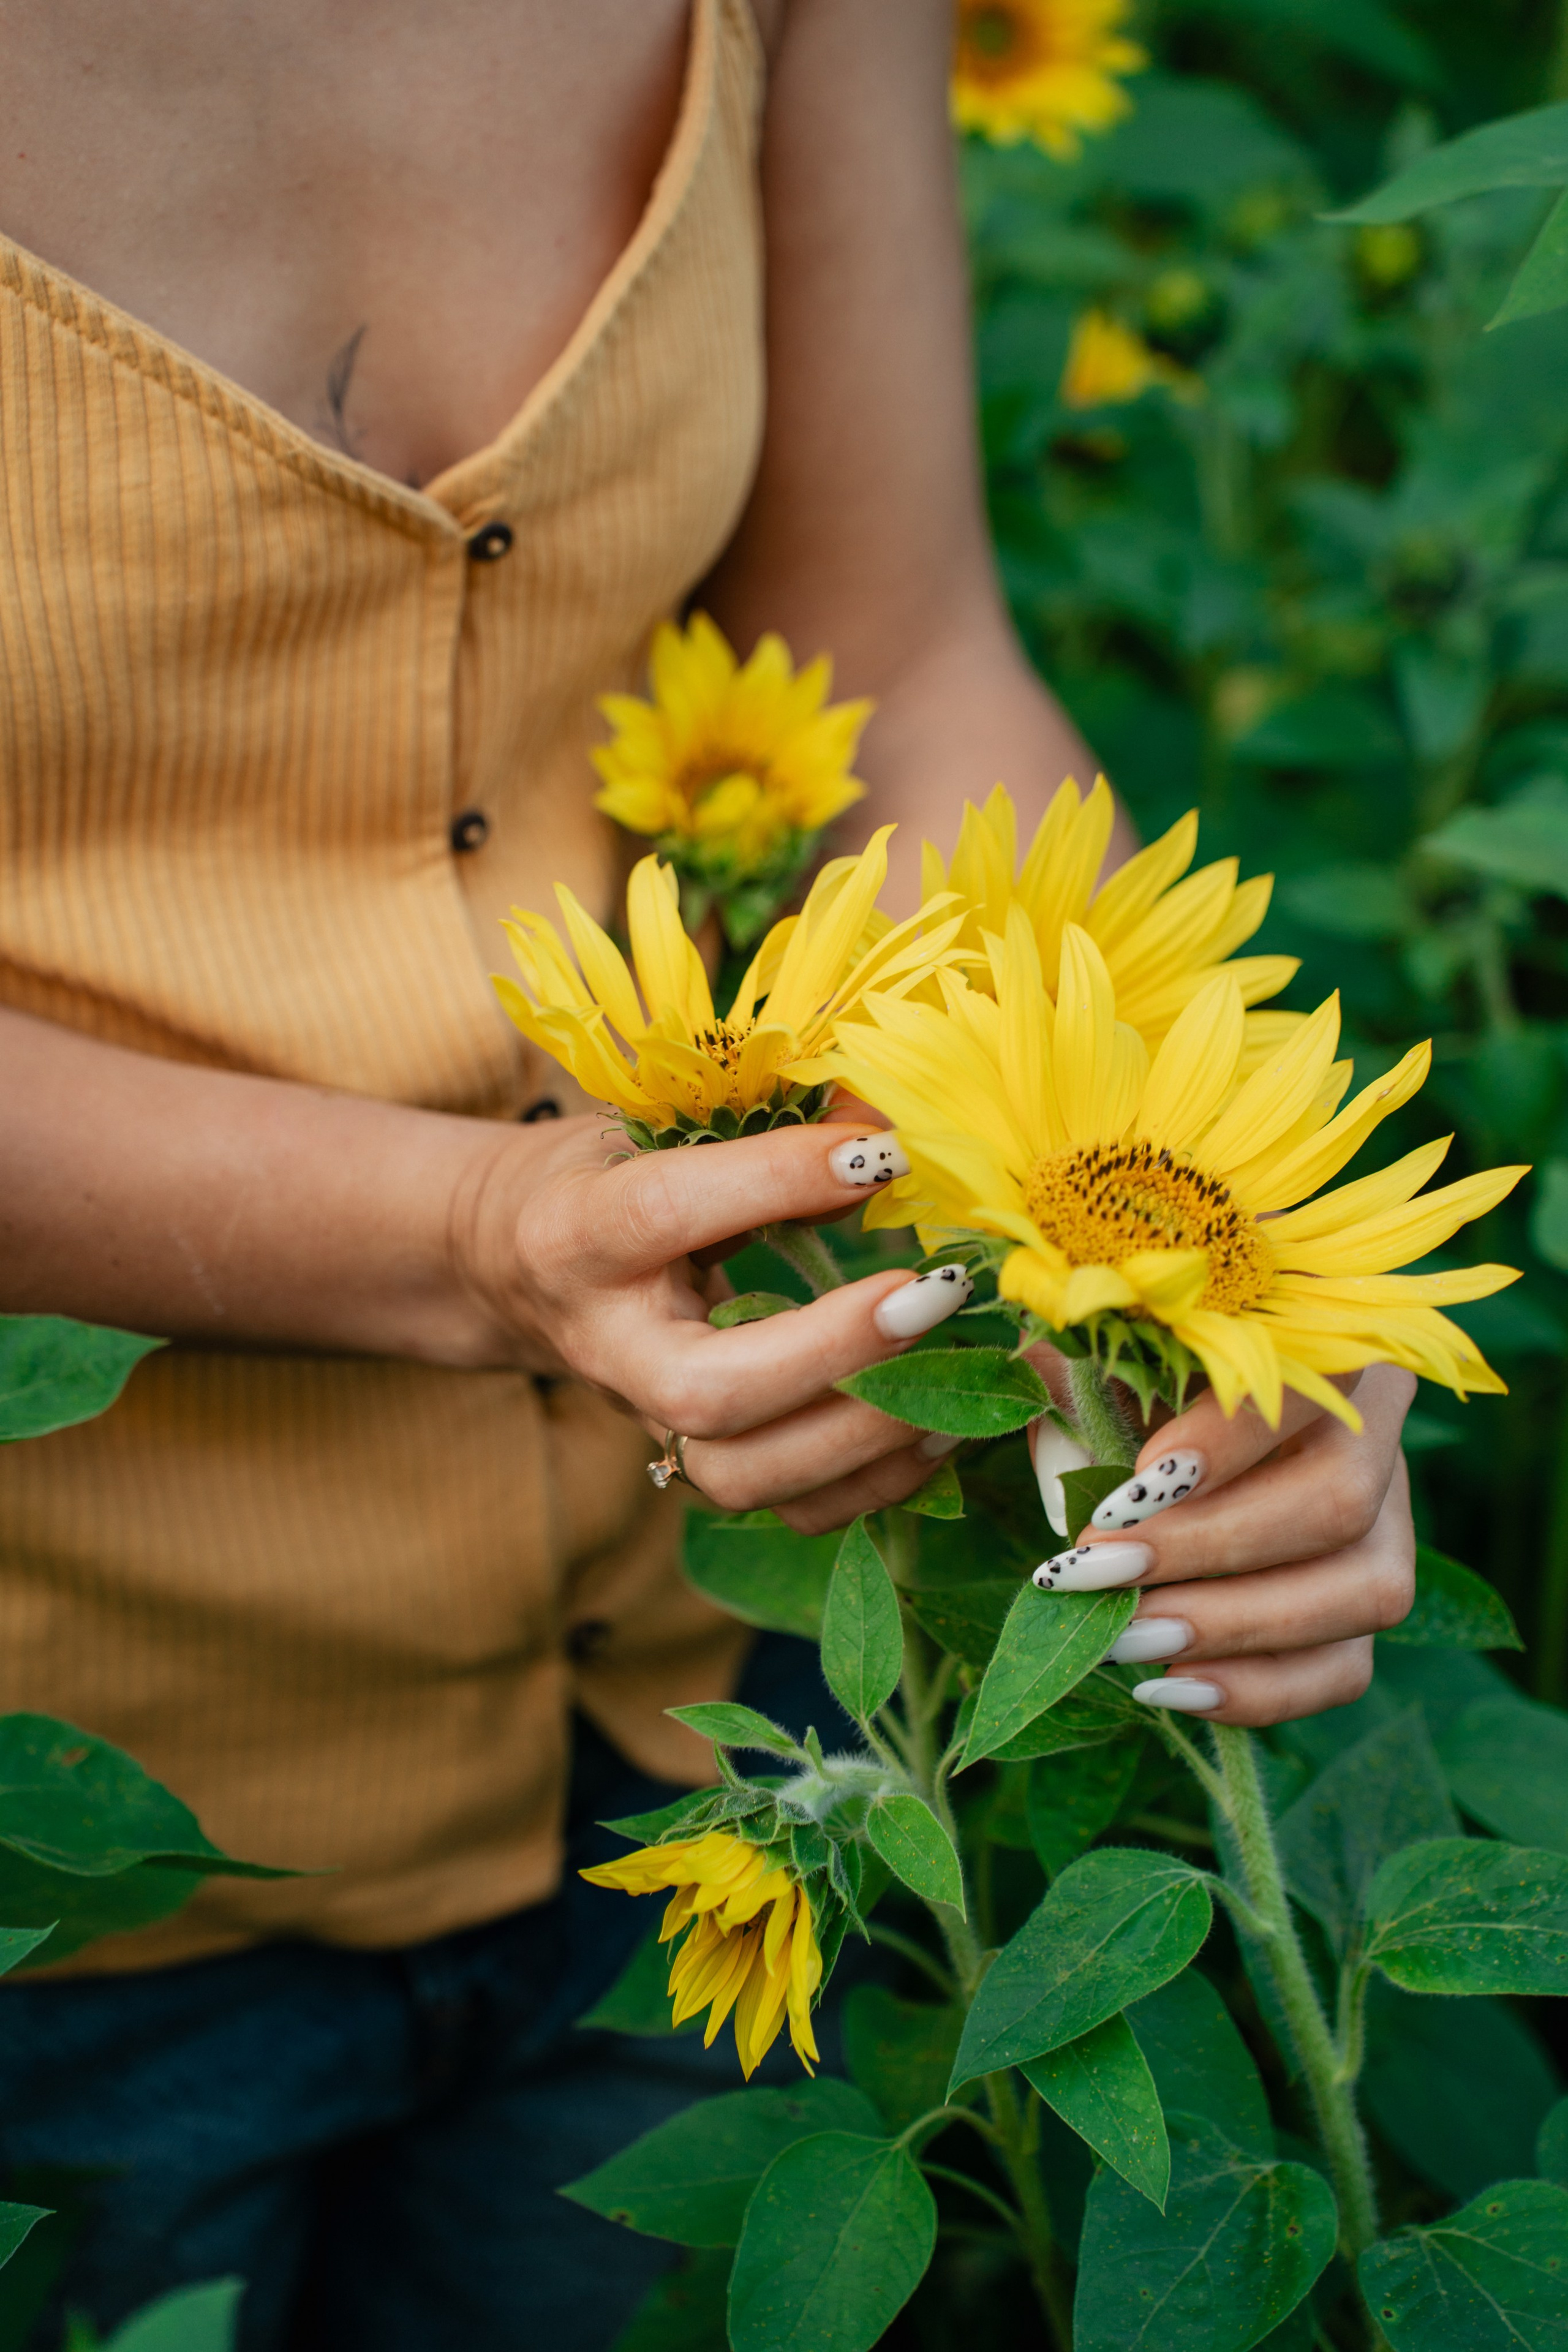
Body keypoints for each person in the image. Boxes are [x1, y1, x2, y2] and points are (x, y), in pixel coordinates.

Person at [0, 2, 1417, 2345]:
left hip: (727, 1726)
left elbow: (901, 659)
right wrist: (475, 1235)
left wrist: (1229, 1248)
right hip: (76, 1851)